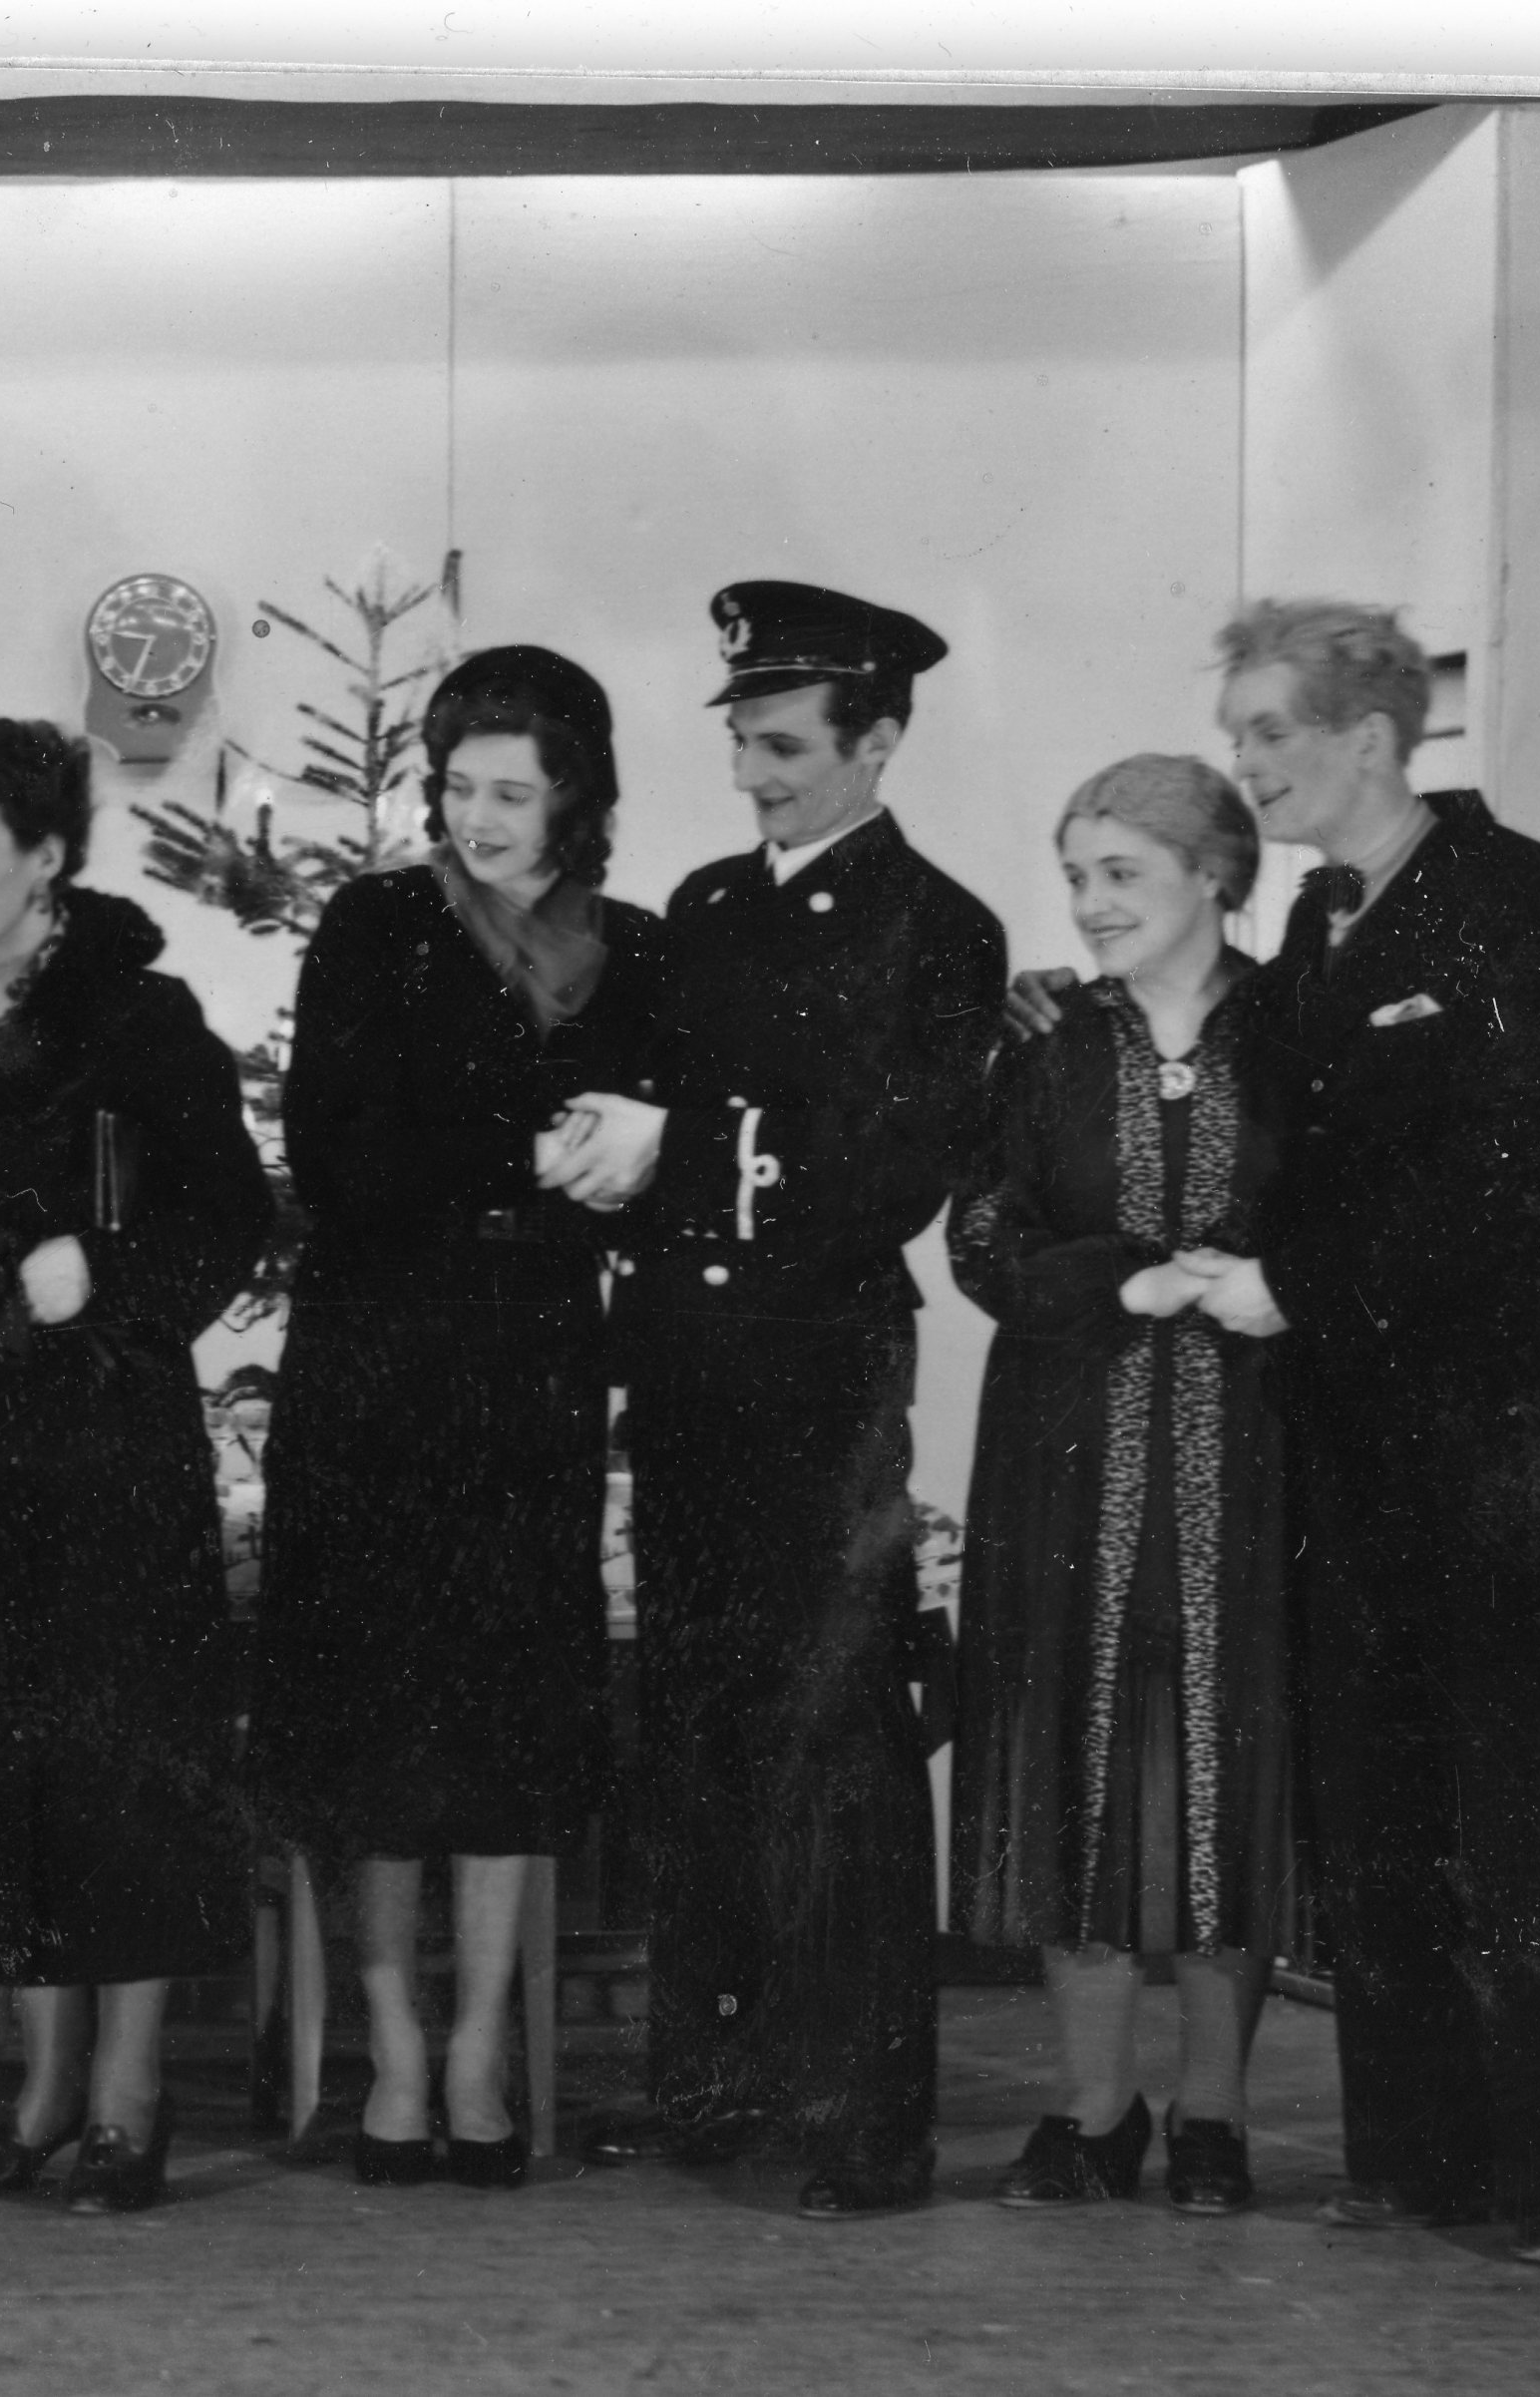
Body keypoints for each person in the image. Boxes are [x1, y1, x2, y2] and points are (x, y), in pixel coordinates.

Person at [1211, 598, 1540, 2268]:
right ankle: (1410, 2153)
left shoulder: (1527, 900)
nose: (1245, 766)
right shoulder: (1315, 921)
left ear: (1371, 737)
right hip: (1346, 1420)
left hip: (1499, 1421)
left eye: (1269, 733)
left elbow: (1504, 1162)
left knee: (1510, 1794)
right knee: (1370, 1792)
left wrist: (1296, 1284)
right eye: (1238, 735)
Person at [586, 582, 1004, 2219]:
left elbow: (883, 1170)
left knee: (832, 1734)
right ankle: (714, 2082)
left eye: (781, 747)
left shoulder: (939, 927)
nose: (749, 775)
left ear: (876, 738)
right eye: (743, 743)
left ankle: (862, 2117)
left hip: (819, 1372)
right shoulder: (704, 903)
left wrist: (678, 1145)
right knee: (698, 1724)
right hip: (688, 1367)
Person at [248, 644, 668, 2192]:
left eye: (509, 790)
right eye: (454, 785)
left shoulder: (630, 948)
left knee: (504, 1718)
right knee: (372, 1719)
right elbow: (335, 1150)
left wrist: (614, 1148)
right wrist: (529, 1151)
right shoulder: (375, 923)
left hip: (529, 1363)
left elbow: (646, 1158)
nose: (474, 815)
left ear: (573, 798)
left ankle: (480, 2048)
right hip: (370, 1361)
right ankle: (393, 2050)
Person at [0, 718, 272, 2216]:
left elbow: (231, 1215)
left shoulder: (138, 1014)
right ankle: (40, 2087)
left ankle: (129, 2093)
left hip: (105, 1444)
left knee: (119, 1768)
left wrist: (104, 1266)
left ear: (43, 857)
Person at [947, 755, 1299, 2220]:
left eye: (1120, 874)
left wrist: (1272, 1278)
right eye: (1075, 875)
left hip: (1257, 1443)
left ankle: (1214, 2111)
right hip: (1068, 1443)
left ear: (1213, 873)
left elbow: (1350, 1204)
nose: (1088, 904)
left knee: (1229, 1758)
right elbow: (981, 1235)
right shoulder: (1042, 1044)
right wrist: (1123, 1282)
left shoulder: (1298, 1027)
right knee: (1072, 1755)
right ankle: (1091, 2109)